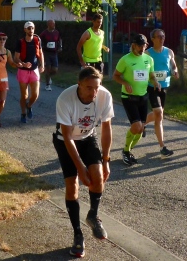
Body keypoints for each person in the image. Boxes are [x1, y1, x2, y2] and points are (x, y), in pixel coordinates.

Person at [53, 66, 114, 258]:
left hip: (88, 138)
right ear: (79, 84)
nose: (94, 92)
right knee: (72, 186)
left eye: (97, 87)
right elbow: (67, 136)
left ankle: (93, 215)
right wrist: (80, 167)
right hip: (65, 141)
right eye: (89, 88)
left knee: (98, 177)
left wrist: (106, 160)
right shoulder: (65, 98)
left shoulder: (104, 96)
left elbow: (106, 129)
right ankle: (77, 234)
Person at [112, 34, 161, 165]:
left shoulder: (149, 59)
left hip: (143, 96)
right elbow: (116, 76)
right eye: (139, 46)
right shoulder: (125, 59)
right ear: (133, 45)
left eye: (144, 46)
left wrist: (155, 82)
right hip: (128, 97)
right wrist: (125, 83)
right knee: (136, 126)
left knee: (141, 128)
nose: (142, 48)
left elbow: (151, 75)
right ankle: (125, 151)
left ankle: (128, 151)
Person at [143, 28, 178, 158]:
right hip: (152, 87)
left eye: (163, 36)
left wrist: (175, 71)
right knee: (159, 114)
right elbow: (144, 69)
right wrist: (152, 79)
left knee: (158, 114)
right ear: (153, 39)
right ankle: (162, 147)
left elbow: (173, 65)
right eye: (159, 36)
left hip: (164, 87)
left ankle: (142, 123)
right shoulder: (147, 53)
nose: (162, 38)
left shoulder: (169, 51)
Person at [14, 21, 44, 123]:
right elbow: (16, 58)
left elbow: (41, 53)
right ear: (25, 30)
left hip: (34, 70)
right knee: (24, 96)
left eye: (32, 28)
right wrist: (23, 63)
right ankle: (23, 113)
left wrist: (42, 65)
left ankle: (29, 105)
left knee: (35, 95)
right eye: (29, 28)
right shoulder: (20, 42)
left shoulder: (37, 40)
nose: (31, 30)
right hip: (23, 71)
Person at [40, 19, 62, 91]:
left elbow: (59, 40)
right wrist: (42, 48)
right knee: (48, 68)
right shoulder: (44, 33)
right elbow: (39, 41)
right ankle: (48, 85)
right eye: (52, 24)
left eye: (54, 23)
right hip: (46, 53)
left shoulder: (56, 32)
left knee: (55, 70)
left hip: (54, 53)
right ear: (48, 25)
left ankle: (49, 77)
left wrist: (60, 47)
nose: (54, 25)